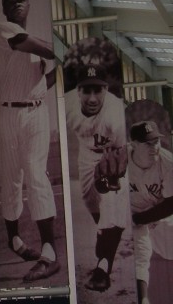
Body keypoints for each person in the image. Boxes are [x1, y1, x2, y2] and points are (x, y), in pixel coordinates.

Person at [0, 0, 62, 281]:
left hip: (35, 112)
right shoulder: (5, 30)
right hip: (5, 112)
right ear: (5, 10)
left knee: (35, 173)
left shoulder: (36, 45)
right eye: (11, 0)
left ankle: (49, 252)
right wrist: (63, 51)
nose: (17, 3)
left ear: (29, 5)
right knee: (11, 179)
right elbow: (37, 46)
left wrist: (66, 65)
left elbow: (45, 82)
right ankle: (15, 240)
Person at [64, 60, 131, 293]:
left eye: (98, 90)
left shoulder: (116, 113)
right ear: (78, 91)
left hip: (113, 154)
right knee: (91, 202)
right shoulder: (68, 106)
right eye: (87, 90)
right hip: (86, 155)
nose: (92, 98)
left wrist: (113, 175)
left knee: (112, 206)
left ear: (106, 90)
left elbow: (122, 153)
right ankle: (108, 233)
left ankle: (103, 269)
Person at [127, 121, 173, 304]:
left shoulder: (167, 162)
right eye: (148, 143)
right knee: (141, 255)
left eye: (156, 141)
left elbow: (171, 204)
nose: (154, 147)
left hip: (160, 212)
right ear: (133, 144)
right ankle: (144, 300)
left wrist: (140, 219)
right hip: (132, 213)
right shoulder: (121, 158)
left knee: (169, 253)